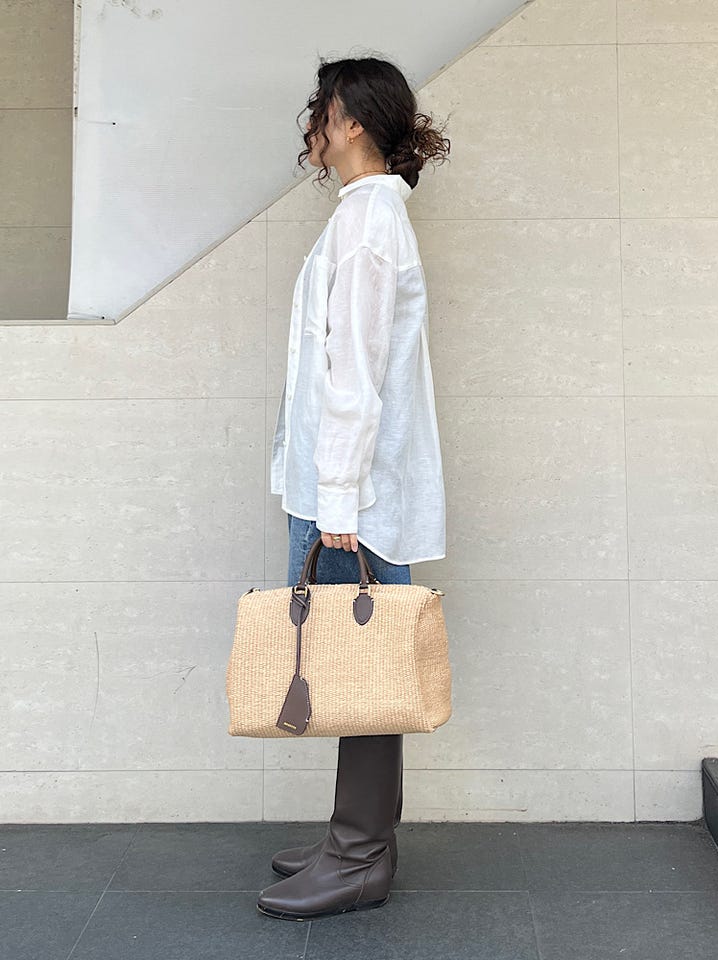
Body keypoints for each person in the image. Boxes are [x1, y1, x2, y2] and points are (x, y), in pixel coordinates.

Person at [257, 55, 450, 922]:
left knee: (363, 664)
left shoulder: (369, 222)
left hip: (354, 497)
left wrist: (336, 496)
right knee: (355, 660)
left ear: (353, 121)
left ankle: (359, 855)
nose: (313, 125)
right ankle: (356, 841)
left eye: (321, 110)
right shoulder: (363, 216)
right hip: (348, 488)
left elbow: (355, 375)